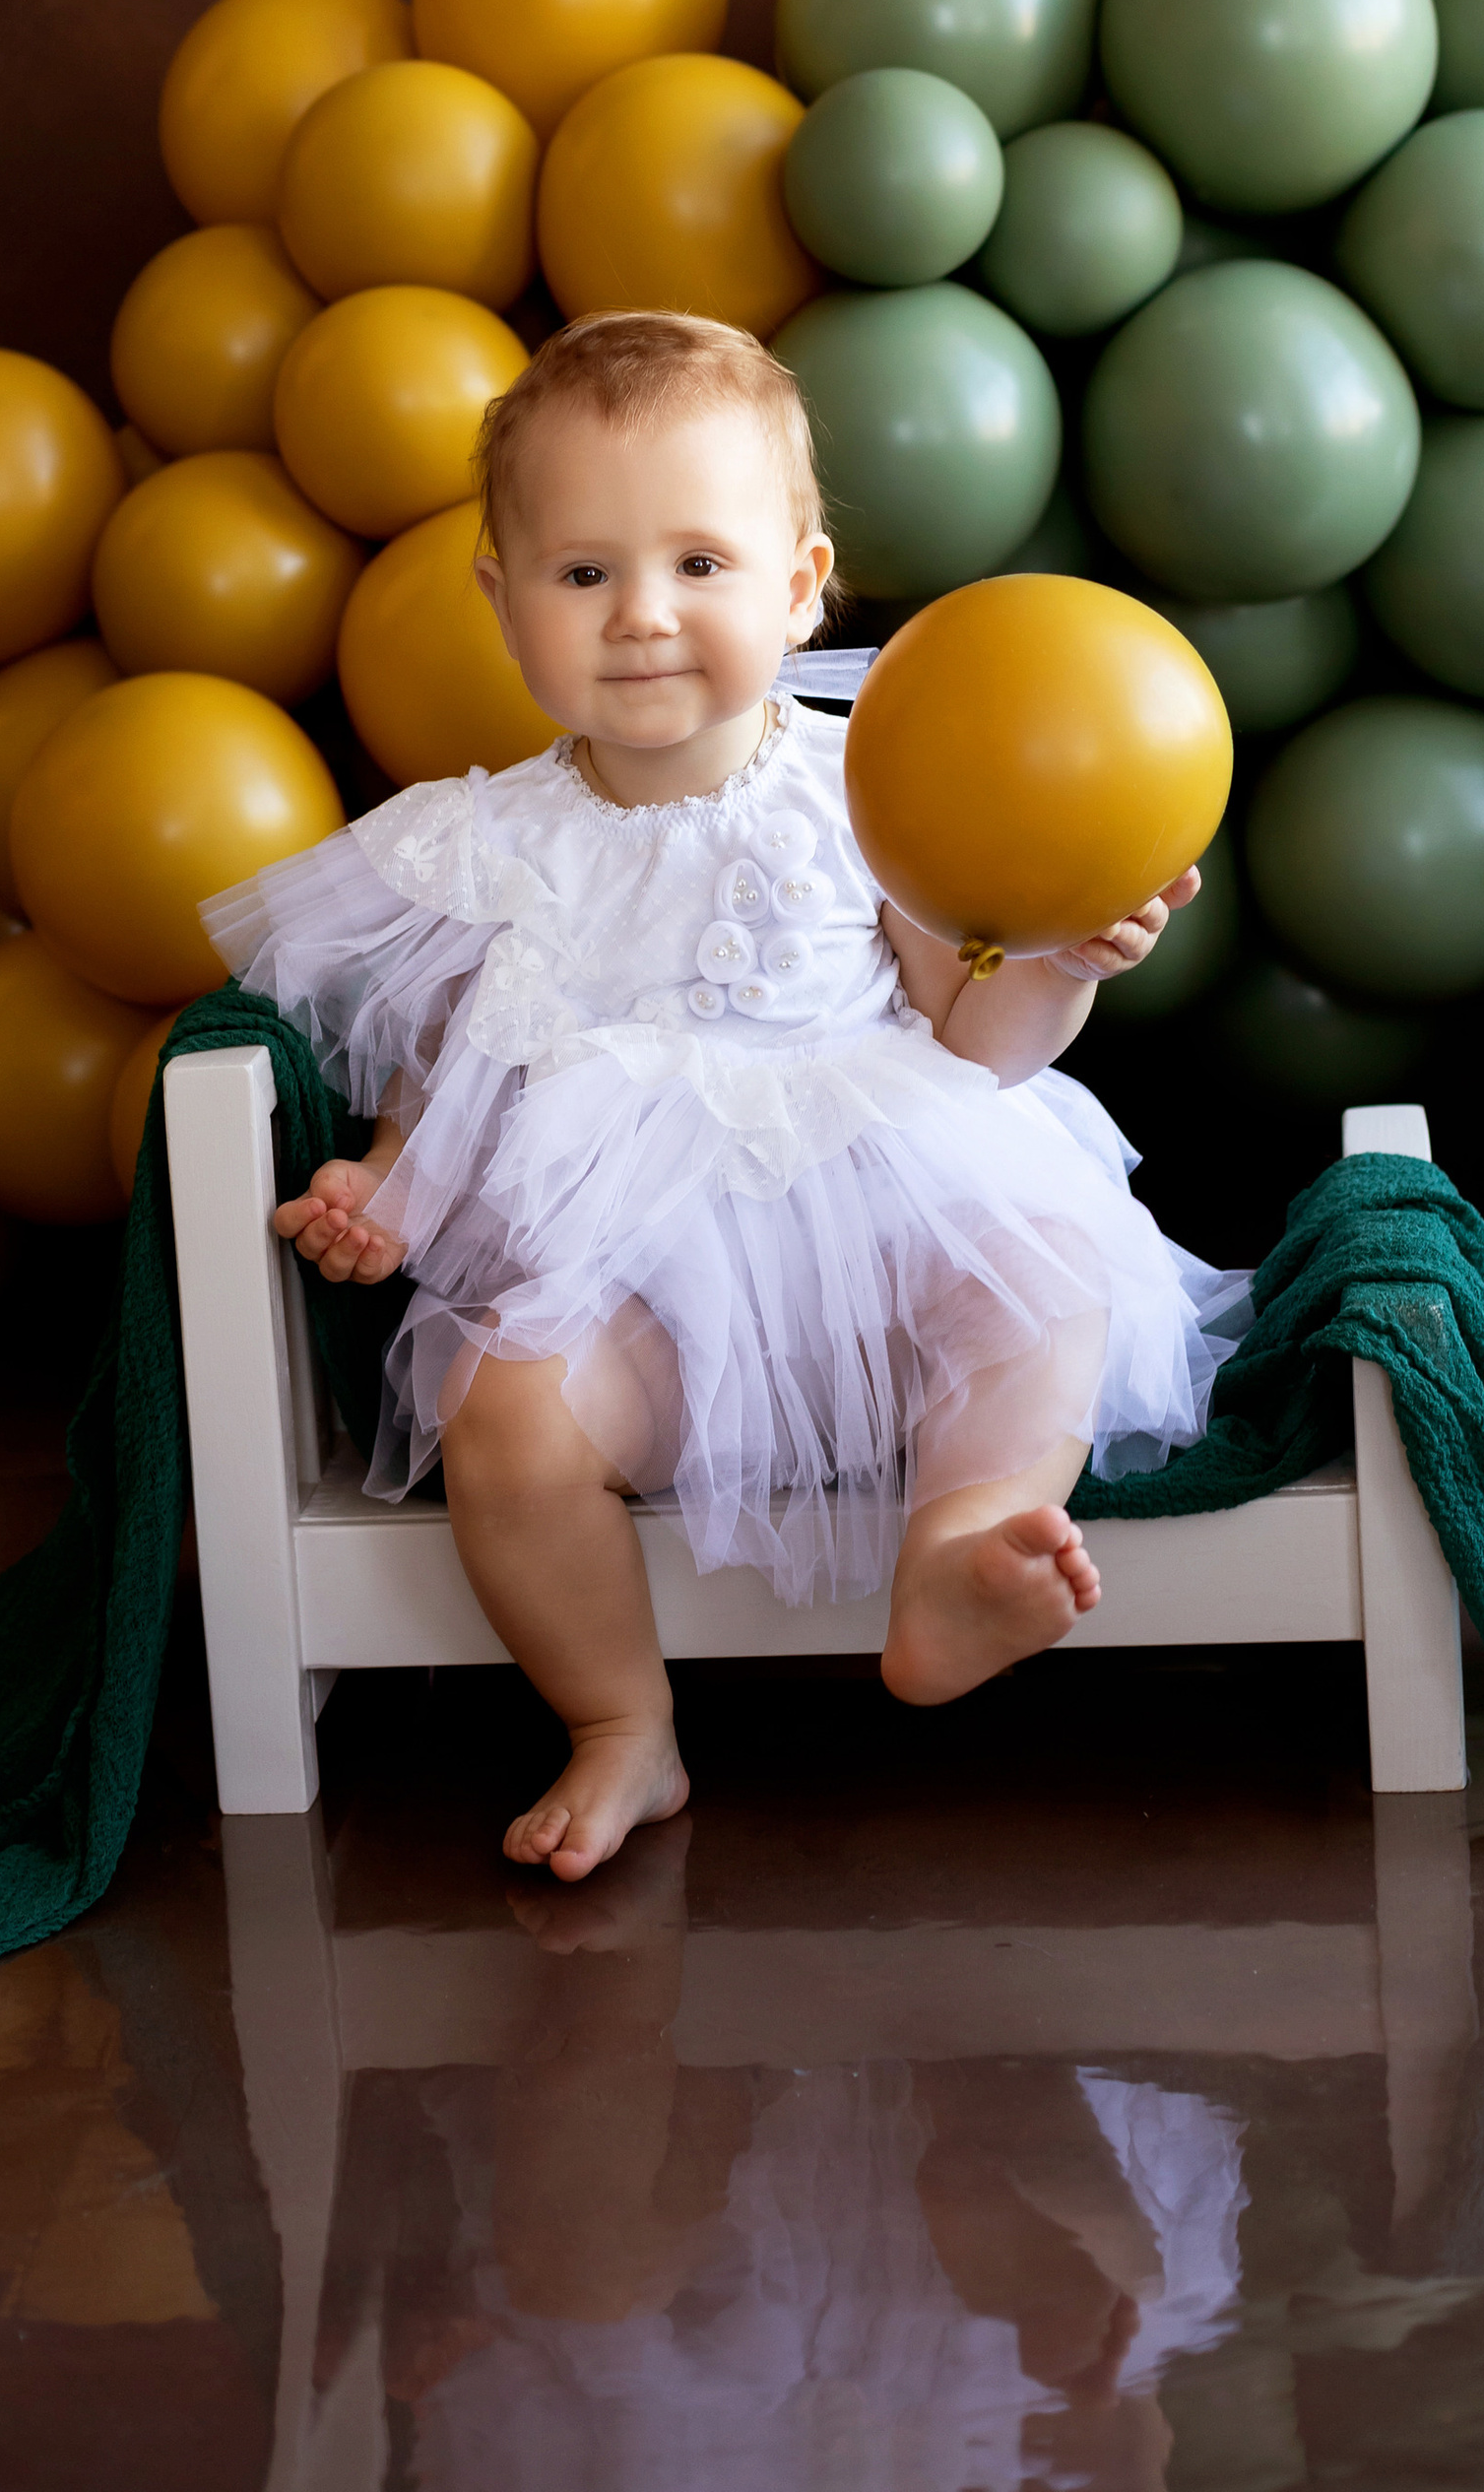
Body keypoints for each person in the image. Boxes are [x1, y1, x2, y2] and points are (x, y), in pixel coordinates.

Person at [202, 310, 1242, 1880]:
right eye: (582, 573)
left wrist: (1056, 958)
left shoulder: (874, 784)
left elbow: (977, 1043)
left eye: (699, 563)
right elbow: (453, 1057)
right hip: (643, 1296)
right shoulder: (489, 843)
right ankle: (621, 1720)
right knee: (503, 1419)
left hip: (892, 1236)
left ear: (802, 583)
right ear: (500, 597)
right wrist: (388, 1182)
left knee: (1041, 1281)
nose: (642, 616)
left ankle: (960, 1549)